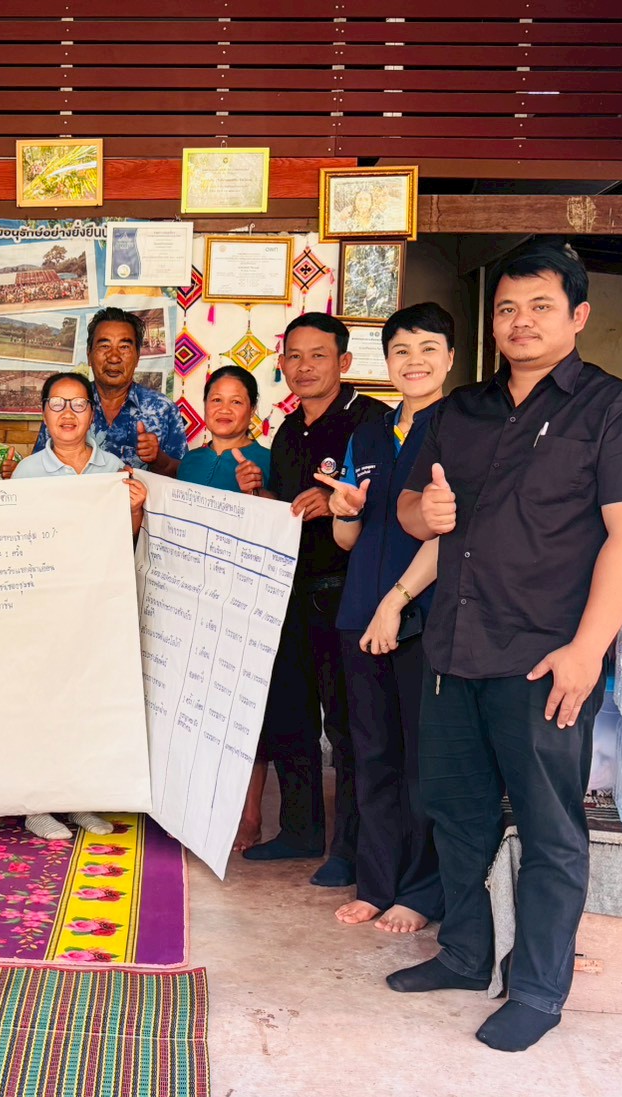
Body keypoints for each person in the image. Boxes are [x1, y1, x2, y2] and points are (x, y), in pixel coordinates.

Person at [392, 242, 622, 1052]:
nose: (520, 322)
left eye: (540, 307)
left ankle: (539, 990)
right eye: (507, 309)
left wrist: (588, 649)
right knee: (454, 812)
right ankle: (464, 953)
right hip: (452, 647)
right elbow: (413, 506)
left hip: (546, 659)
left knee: (549, 830)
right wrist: (423, 518)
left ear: (577, 316)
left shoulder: (618, 412)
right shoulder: (458, 411)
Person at [315, 303, 453, 933]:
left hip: (426, 613)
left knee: (424, 759)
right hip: (359, 612)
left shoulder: (463, 425)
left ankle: (421, 892)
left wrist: (398, 602)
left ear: (450, 358)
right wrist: (344, 509)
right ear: (386, 362)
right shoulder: (368, 434)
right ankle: (377, 882)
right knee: (370, 755)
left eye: (428, 349)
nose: (414, 362)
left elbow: (453, 532)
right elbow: (349, 540)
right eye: (401, 351)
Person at [241, 313, 389, 889]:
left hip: (350, 593)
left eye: (318, 356)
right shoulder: (288, 431)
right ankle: (300, 830)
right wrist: (265, 493)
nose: (304, 367)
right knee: (291, 714)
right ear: (282, 365)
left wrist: (340, 505)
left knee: (348, 727)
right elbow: (290, 512)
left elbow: (385, 505)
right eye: (294, 357)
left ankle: (348, 849)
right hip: (293, 593)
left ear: (345, 363)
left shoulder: (370, 423)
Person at [12, 371, 148, 840]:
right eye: (57, 405)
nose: (67, 415)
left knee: (91, 703)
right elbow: (15, 542)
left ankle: (84, 801)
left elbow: (126, 539)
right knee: (44, 703)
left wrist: (134, 510)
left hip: (98, 606)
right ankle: (40, 805)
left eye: (77, 405)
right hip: (44, 606)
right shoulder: (27, 473)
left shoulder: (114, 470)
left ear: (92, 412)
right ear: (43, 413)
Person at [33, 306, 187, 475]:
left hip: (139, 502)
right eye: (104, 346)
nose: (114, 357)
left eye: (124, 347)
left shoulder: (162, 409)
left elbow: (183, 477)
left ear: (137, 357)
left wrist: (159, 459)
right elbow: (40, 467)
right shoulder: (65, 405)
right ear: (89, 354)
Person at [176, 365, 272, 494]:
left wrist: (257, 493)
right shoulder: (190, 460)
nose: (224, 409)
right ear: (205, 404)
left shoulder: (270, 462)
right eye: (217, 400)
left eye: (236, 402)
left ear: (252, 410)